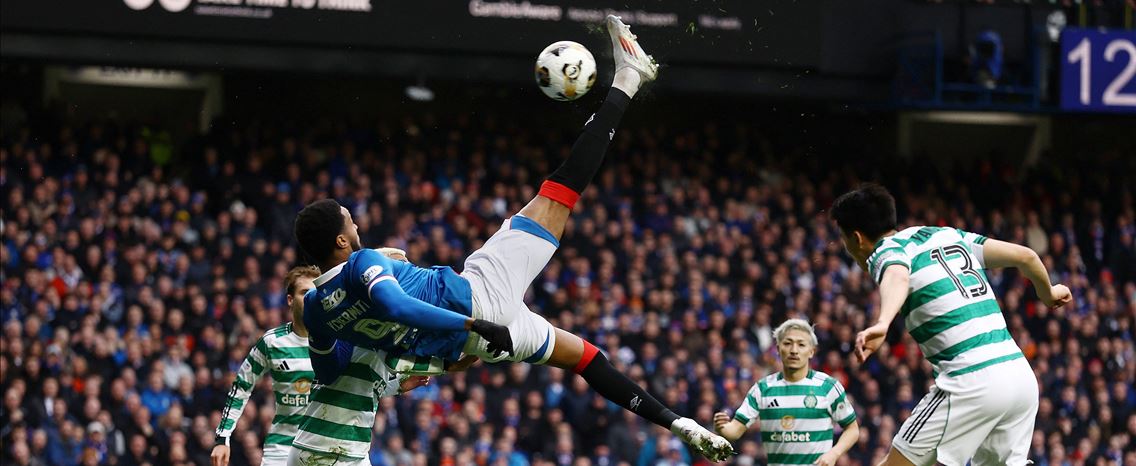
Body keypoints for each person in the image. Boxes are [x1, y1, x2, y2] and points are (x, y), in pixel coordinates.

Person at [291, 16, 732, 461]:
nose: (358, 227)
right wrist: (468, 321)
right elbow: (392, 305)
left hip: (477, 344)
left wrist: (386, 345)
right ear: (341, 243)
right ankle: (629, 76)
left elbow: (329, 366)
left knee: (585, 359)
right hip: (477, 303)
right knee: (560, 190)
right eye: (350, 222)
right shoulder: (364, 264)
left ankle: (681, 424)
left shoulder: (314, 308)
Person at [829, 183, 1073, 466]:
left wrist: (883, 322)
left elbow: (897, 275)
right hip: (1020, 378)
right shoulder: (944, 234)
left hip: (971, 380)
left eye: (843, 240)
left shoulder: (884, 252)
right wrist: (1049, 292)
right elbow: (1026, 256)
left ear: (857, 238)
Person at [210, 266, 321, 466]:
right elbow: (241, 386)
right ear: (290, 300)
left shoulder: (337, 340)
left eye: (315, 293)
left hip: (324, 448)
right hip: (282, 449)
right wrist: (222, 437)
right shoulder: (272, 342)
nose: (311, 298)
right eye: (305, 292)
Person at [713, 319, 860, 466]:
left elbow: (852, 429)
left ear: (811, 351)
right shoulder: (762, 389)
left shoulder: (828, 387)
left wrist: (834, 453)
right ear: (778, 349)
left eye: (801, 344)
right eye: (787, 343)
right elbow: (735, 430)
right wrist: (722, 428)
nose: (794, 350)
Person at [286, 343, 429, 466]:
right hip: (325, 450)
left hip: (352, 451)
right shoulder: (351, 342)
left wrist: (398, 384)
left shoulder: (383, 354)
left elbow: (364, 388)